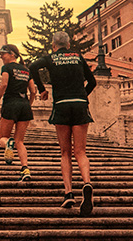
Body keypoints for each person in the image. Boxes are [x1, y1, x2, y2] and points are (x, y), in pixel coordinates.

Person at [28, 31, 97, 214]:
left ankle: (68, 194)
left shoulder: (51, 58)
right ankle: (87, 183)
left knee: (65, 152)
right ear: (68, 44)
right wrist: (82, 96)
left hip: (61, 104)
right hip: (80, 104)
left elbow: (32, 67)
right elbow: (92, 82)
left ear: (53, 45)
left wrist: (42, 89)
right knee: (80, 151)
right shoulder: (77, 56)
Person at [0, 43, 34, 181]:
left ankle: (8, 144)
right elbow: (33, 91)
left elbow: (4, 84)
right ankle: (25, 168)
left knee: (3, 138)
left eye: (3, 54)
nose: (1, 57)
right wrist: (29, 104)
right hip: (24, 106)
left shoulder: (7, 68)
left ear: (12, 54)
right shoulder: (26, 70)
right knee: (20, 141)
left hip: (10, 103)